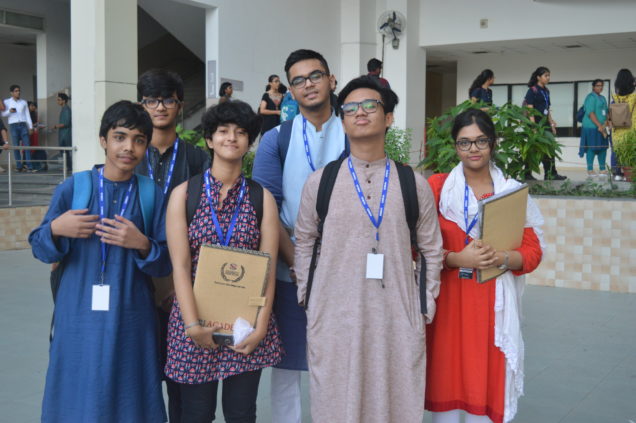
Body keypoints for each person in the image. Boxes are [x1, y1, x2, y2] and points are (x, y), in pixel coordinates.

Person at [293, 75, 443, 422]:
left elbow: (432, 249)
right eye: (350, 108)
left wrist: (423, 305)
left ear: (388, 117)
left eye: (370, 106)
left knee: (395, 400)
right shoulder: (321, 182)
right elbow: (304, 240)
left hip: (396, 316)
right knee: (335, 401)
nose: (360, 113)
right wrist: (309, 297)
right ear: (342, 120)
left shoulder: (412, 183)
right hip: (334, 317)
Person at [29, 100, 171, 422]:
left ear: (146, 146)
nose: (128, 147)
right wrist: (55, 229)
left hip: (132, 316)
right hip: (77, 315)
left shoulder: (151, 194)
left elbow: (165, 264)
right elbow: (40, 248)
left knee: (131, 392)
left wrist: (143, 245)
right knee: (76, 391)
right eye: (120, 137)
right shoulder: (74, 188)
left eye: (138, 140)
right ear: (104, 140)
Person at [164, 100, 282, 422]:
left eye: (241, 132)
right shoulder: (185, 195)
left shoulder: (261, 198)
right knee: (196, 414)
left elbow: (266, 269)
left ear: (249, 141)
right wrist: (192, 326)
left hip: (245, 326)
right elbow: (180, 267)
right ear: (209, 139)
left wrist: (259, 326)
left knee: (241, 413)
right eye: (223, 131)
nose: (232, 137)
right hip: (195, 323)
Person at [425, 109, 544, 423]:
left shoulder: (511, 192)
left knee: (485, 386)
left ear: (493, 143)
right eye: (464, 143)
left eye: (480, 141)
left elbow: (532, 253)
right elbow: (417, 246)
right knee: (447, 387)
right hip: (448, 304)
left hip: (492, 306)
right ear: (455, 146)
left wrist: (502, 258)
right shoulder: (437, 188)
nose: (473, 149)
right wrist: (455, 258)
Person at [252, 48, 348, 423]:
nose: (308, 84)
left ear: (331, 80)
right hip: (292, 265)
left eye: (315, 76)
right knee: (288, 360)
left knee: (343, 357)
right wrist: (300, 263)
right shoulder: (277, 139)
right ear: (289, 90)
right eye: (298, 80)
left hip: (346, 268)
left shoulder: (355, 129)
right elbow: (267, 210)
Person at [135, 68, 210, 422]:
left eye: (168, 99)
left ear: (179, 106)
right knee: (140, 380)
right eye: (151, 100)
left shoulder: (198, 159)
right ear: (142, 105)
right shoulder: (129, 156)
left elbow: (208, 223)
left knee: (184, 384)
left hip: (183, 286)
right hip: (134, 283)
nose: (159, 107)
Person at [523, 67, 566, 180]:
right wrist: (533, 127)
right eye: (546, 75)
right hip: (535, 125)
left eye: (549, 75)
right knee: (532, 149)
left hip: (545, 124)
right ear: (538, 77)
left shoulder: (546, 91)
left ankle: (550, 173)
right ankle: (527, 174)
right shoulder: (532, 90)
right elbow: (530, 110)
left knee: (549, 148)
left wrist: (551, 122)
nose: (548, 78)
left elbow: (547, 108)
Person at [609, 68, 636, 181]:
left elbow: (610, 118)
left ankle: (616, 174)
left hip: (617, 132)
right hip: (632, 131)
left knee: (616, 151)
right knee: (631, 152)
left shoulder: (615, 100)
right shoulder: (634, 98)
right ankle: (631, 174)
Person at [579, 79, 609, 178]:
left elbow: (606, 111)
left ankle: (602, 169)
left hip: (603, 127)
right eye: (598, 85)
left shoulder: (603, 98)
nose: (600, 87)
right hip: (591, 127)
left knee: (603, 148)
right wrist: (599, 125)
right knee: (592, 148)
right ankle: (590, 170)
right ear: (593, 87)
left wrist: (606, 122)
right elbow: (590, 113)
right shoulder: (590, 97)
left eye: (601, 86)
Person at [2, 85, 34, 172]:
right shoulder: (7, 102)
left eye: (19, 91)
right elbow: (3, 114)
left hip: (23, 125)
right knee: (16, 146)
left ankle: (29, 166)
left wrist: (30, 127)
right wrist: (9, 111)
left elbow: (27, 115)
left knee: (27, 146)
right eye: (16, 91)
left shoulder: (23, 102)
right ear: (11, 93)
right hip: (13, 125)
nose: (18, 92)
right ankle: (19, 166)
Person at [54, 93, 73, 172]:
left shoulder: (66, 110)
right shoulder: (64, 109)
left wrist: (56, 126)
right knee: (64, 151)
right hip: (63, 133)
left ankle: (68, 167)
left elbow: (66, 123)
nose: (57, 101)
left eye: (59, 100)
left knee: (65, 151)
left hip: (66, 134)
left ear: (64, 101)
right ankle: (67, 167)